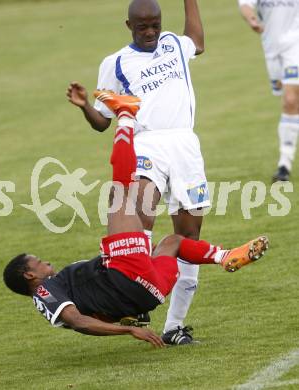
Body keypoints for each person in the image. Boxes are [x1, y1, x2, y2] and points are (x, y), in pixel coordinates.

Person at [3, 92, 269, 348]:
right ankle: (126, 114)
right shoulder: (43, 293)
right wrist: (129, 329)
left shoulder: (62, 288)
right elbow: (78, 322)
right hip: (126, 275)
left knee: (172, 242)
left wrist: (128, 316)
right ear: (29, 275)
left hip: (151, 292)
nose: (46, 262)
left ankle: (225, 256)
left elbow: (94, 314)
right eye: (39, 263)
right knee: (120, 193)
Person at [67, 0, 209, 345]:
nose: (150, 33)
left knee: (188, 239)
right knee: (139, 218)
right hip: (146, 145)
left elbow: (198, 41)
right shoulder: (115, 62)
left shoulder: (174, 43)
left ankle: (175, 326)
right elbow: (103, 121)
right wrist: (86, 105)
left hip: (185, 146)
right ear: (128, 25)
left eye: (155, 25)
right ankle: (135, 297)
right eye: (142, 27)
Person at [238, 0, 299, 181]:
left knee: (290, 100)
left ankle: (284, 164)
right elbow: (245, 5)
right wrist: (251, 19)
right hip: (271, 47)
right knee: (290, 100)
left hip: (295, 44)